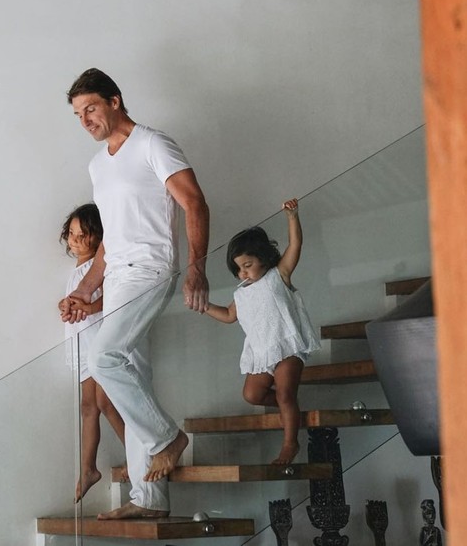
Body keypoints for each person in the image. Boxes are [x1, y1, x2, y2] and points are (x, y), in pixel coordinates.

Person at [60, 68, 209, 520]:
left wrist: (196, 269)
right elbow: (110, 241)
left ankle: (169, 438)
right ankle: (149, 502)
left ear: (115, 101)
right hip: (119, 276)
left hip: (151, 269)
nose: (85, 120)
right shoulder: (98, 163)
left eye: (91, 108)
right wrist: (86, 289)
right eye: (77, 114)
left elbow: (194, 202)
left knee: (103, 359)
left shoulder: (152, 144)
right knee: (130, 378)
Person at [203, 199, 320, 464]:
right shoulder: (241, 293)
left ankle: (290, 444)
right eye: (238, 268)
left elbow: (295, 246)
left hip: (287, 346)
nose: (242, 272)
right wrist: (204, 307)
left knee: (284, 393)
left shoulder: (278, 275)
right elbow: (229, 315)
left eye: (248, 264)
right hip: (261, 351)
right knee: (252, 395)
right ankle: (290, 409)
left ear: (264, 258)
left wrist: (292, 217)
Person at [59, 202, 127, 502]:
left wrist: (87, 307)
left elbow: (112, 300)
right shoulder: (77, 270)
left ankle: (141, 454)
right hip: (82, 343)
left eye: (81, 234)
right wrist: (66, 306)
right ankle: (88, 469)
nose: (74, 239)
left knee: (105, 403)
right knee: (89, 406)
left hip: (100, 341)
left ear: (98, 236)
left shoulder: (100, 267)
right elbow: (77, 301)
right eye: (71, 233)